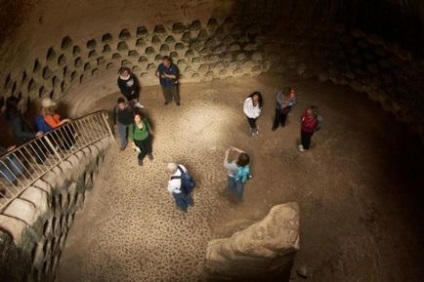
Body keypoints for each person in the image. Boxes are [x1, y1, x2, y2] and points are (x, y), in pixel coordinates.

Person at [5, 96, 46, 164]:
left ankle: (41, 161)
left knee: (37, 148)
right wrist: (35, 134)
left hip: (24, 137)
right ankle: (41, 162)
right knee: (38, 147)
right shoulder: (15, 118)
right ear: (15, 105)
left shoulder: (13, 115)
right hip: (25, 138)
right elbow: (19, 133)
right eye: (18, 103)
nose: (20, 104)